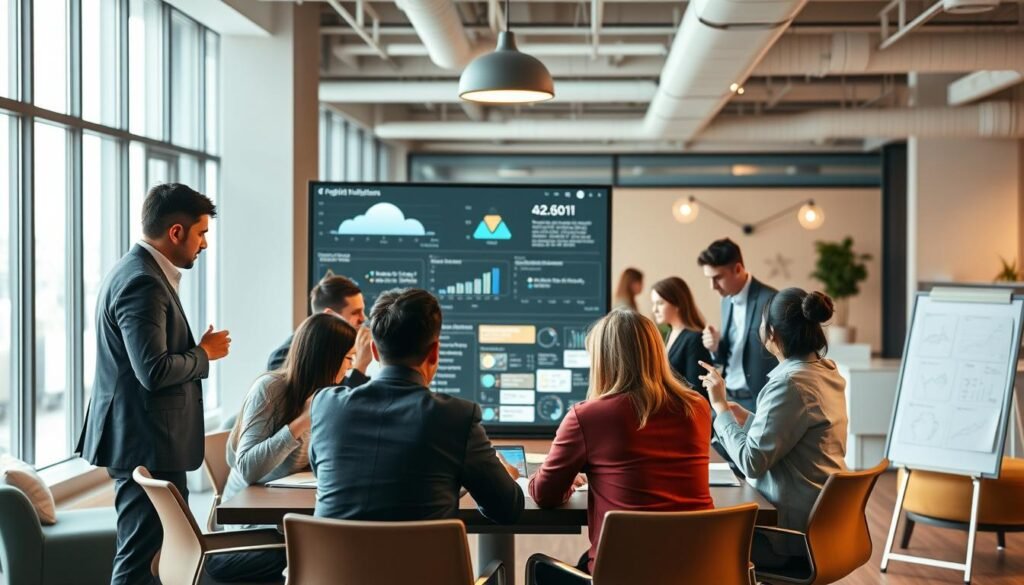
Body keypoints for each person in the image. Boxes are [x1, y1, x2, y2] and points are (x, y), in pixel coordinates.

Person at [75, 183, 228, 585]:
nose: (205, 245)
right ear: (176, 232)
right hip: (146, 443)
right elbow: (154, 371)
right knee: (139, 556)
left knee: (155, 553)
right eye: (201, 233)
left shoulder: (139, 272)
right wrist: (204, 354)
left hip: (149, 440)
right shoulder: (142, 281)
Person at [309, 288, 524, 524]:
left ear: (374, 351)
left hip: (334, 562)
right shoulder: (456, 418)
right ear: (434, 352)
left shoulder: (325, 405)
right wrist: (506, 476)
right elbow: (506, 510)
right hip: (423, 562)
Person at [530, 309, 714, 580]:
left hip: (621, 572)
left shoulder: (587, 416)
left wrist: (566, 481)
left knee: (540, 568)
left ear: (603, 360)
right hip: (699, 570)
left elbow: (544, 494)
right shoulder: (697, 408)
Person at [698, 288, 847, 570]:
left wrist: (719, 406)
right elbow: (801, 435)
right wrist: (752, 419)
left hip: (787, 536)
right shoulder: (825, 372)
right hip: (822, 524)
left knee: (700, 541)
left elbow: (751, 463)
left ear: (772, 335)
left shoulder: (790, 383)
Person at [204, 313, 357, 583]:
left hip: (282, 527)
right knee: (333, 554)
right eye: (348, 359)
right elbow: (250, 468)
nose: (349, 368)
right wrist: (300, 422)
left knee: (345, 545)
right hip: (244, 538)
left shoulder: (324, 396)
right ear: (327, 358)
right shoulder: (271, 389)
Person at [697, 238, 777, 412]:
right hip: (727, 396)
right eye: (709, 279)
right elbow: (731, 353)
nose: (712, 286)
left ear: (738, 269)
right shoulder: (725, 300)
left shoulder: (771, 300)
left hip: (759, 401)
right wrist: (716, 346)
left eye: (717, 277)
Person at [266, 274, 372, 386]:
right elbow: (337, 402)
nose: (363, 319)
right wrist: (361, 365)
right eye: (355, 313)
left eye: (363, 311)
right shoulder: (282, 360)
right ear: (329, 315)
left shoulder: (335, 350)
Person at [650, 276, 712, 393]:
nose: (654, 310)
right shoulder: (670, 332)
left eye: (660, 303)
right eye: (653, 303)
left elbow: (696, 389)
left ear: (677, 303)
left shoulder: (694, 338)